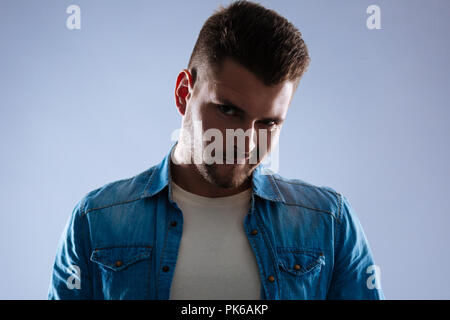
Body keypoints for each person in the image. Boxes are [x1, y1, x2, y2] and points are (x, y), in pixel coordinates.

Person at [48, 0, 384, 300]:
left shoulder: (329, 223)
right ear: (184, 93)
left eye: (268, 123)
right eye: (229, 111)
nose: (247, 143)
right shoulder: (96, 221)